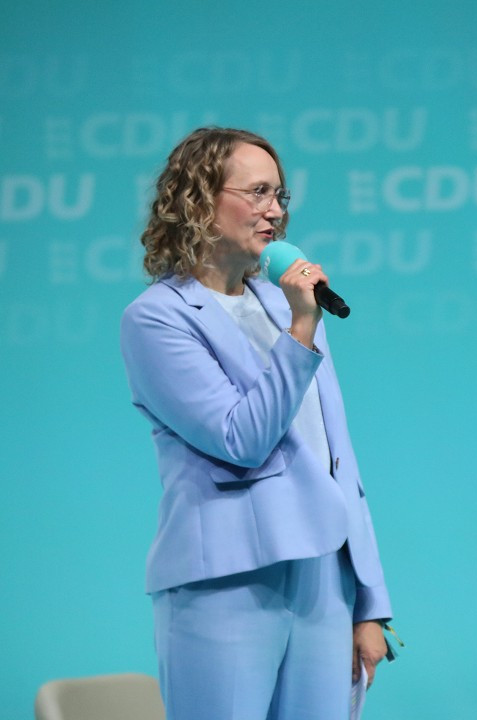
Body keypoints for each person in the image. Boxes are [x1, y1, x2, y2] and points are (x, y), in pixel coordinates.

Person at [120, 127, 392, 720]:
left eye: (281, 196)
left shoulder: (280, 302)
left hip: (323, 580)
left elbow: (337, 459)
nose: (275, 211)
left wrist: (368, 598)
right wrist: (301, 330)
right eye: (259, 192)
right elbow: (241, 440)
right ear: (197, 199)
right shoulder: (158, 318)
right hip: (226, 581)